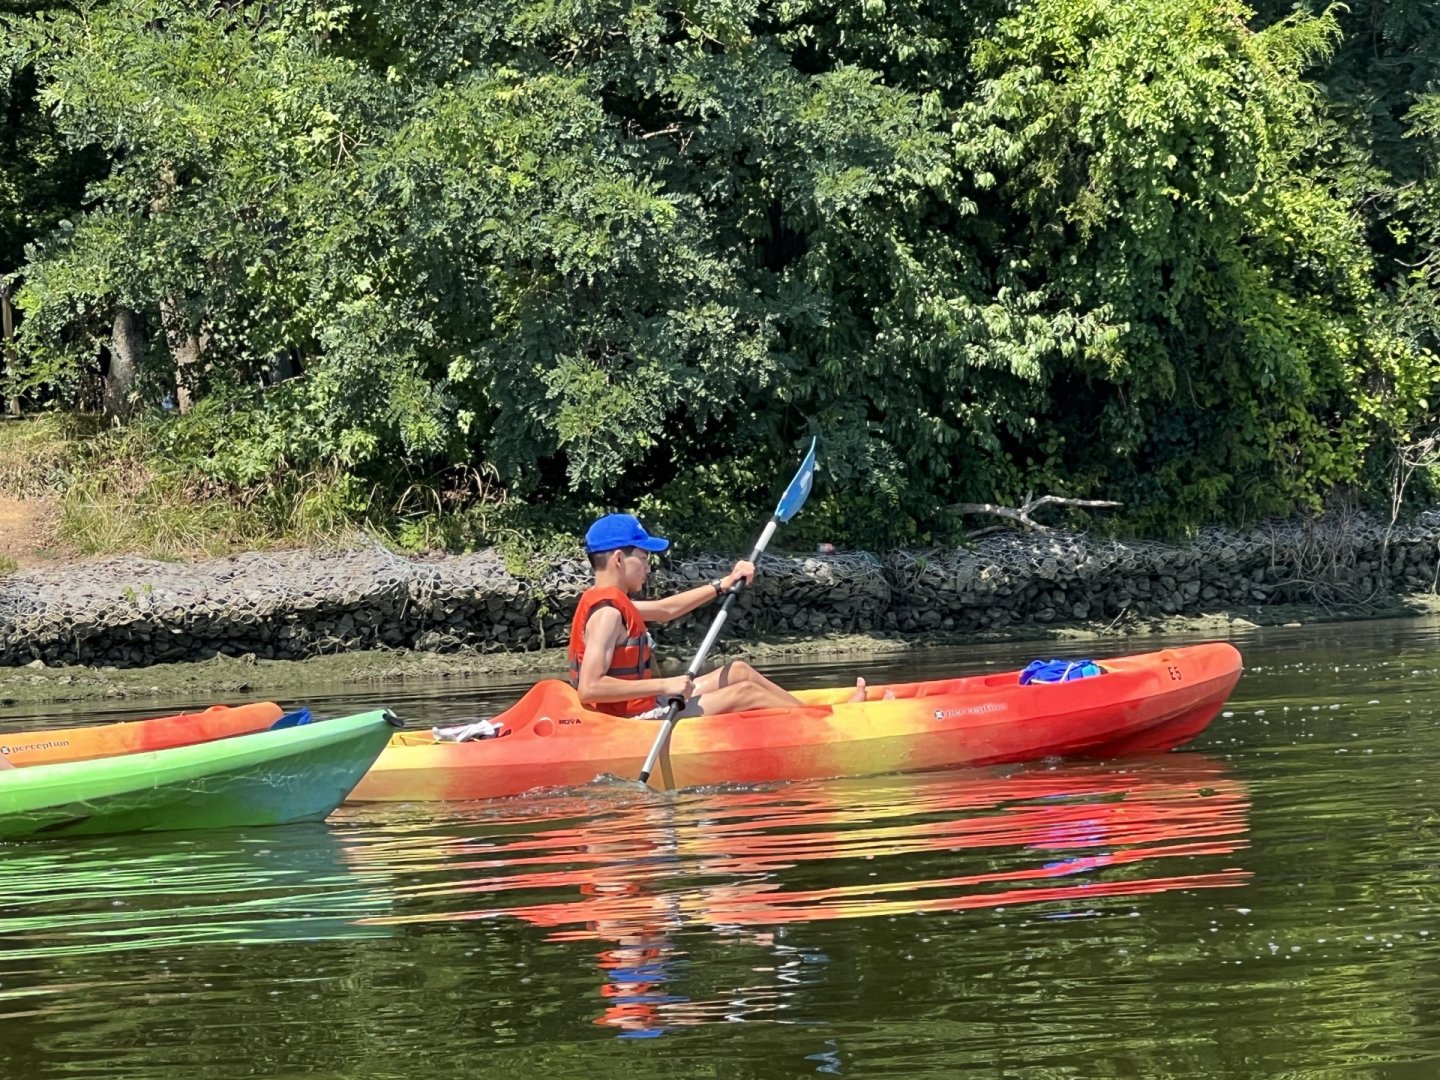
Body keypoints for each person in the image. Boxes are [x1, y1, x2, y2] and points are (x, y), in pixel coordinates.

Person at [568, 513, 866, 717]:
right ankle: (826, 725)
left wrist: (722, 584)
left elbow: (666, 609)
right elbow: (589, 689)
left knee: (737, 672)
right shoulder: (607, 613)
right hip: (633, 723)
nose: (648, 567)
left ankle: (810, 715)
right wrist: (665, 685)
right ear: (619, 559)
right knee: (746, 693)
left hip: (647, 704)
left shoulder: (613, 603)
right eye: (644, 558)